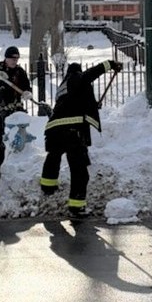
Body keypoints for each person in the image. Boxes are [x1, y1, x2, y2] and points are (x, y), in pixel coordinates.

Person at [39, 59, 122, 218]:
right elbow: (89, 75)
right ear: (77, 72)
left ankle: (48, 186)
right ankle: (77, 207)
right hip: (72, 131)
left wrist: (89, 105)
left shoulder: (62, 88)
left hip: (53, 130)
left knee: (54, 156)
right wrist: (109, 65)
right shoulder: (76, 78)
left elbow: (73, 102)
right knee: (79, 171)